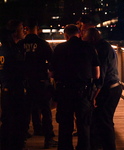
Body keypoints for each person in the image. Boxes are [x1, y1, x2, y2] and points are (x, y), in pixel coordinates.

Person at [51, 24, 100, 150]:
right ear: (79, 34)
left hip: (64, 91)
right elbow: (97, 74)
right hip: (83, 91)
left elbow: (52, 73)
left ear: (65, 35)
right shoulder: (89, 47)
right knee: (84, 125)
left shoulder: (59, 48)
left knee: (65, 125)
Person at [18, 18, 57, 149]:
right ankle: (48, 138)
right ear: (37, 29)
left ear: (25, 29)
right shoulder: (43, 43)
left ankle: (22, 138)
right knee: (46, 111)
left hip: (25, 82)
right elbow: (52, 62)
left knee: (25, 111)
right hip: (40, 80)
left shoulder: (20, 44)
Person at [82, 28, 122, 150]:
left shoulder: (100, 50)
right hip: (112, 87)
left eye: (86, 40)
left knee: (105, 121)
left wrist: (94, 96)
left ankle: (109, 147)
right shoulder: (104, 46)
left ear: (92, 39)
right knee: (101, 120)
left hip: (109, 90)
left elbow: (101, 77)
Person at [0, 19, 27, 150]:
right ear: (15, 32)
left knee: (7, 121)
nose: (24, 31)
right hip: (15, 90)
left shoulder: (3, 49)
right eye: (22, 29)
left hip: (7, 90)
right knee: (15, 122)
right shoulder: (13, 51)